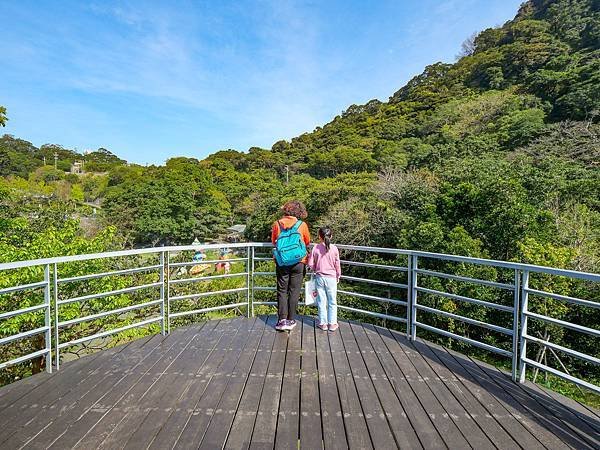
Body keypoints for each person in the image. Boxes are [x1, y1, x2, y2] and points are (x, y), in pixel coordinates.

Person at [271, 200, 310, 331]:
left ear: (285, 211)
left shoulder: (277, 224)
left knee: (282, 290)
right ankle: (291, 319)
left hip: (282, 261)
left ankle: (282, 320)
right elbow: (307, 241)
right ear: (299, 212)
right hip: (299, 261)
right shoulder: (302, 225)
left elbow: (273, 241)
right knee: (294, 291)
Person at [307, 226, 341, 331]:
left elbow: (310, 264)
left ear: (319, 236)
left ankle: (323, 323)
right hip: (331, 277)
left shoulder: (316, 248)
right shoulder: (334, 248)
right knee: (332, 301)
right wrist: (338, 275)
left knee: (321, 301)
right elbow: (337, 264)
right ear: (331, 236)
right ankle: (332, 324)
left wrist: (315, 267)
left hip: (320, 277)